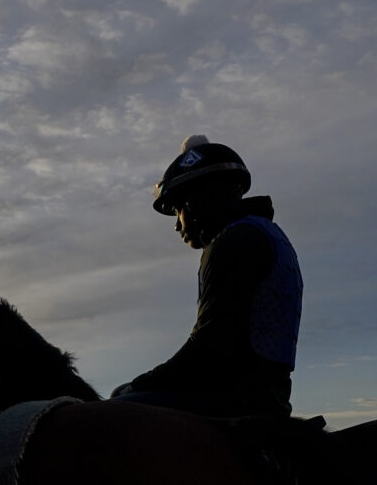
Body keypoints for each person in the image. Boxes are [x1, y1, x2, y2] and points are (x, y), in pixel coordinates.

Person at [117, 135, 302, 417]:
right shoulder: (263, 233)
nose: (177, 226)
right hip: (266, 396)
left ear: (195, 202)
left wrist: (141, 383)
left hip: (235, 400)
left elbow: (209, 347)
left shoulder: (234, 241)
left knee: (113, 414)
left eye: (177, 210)